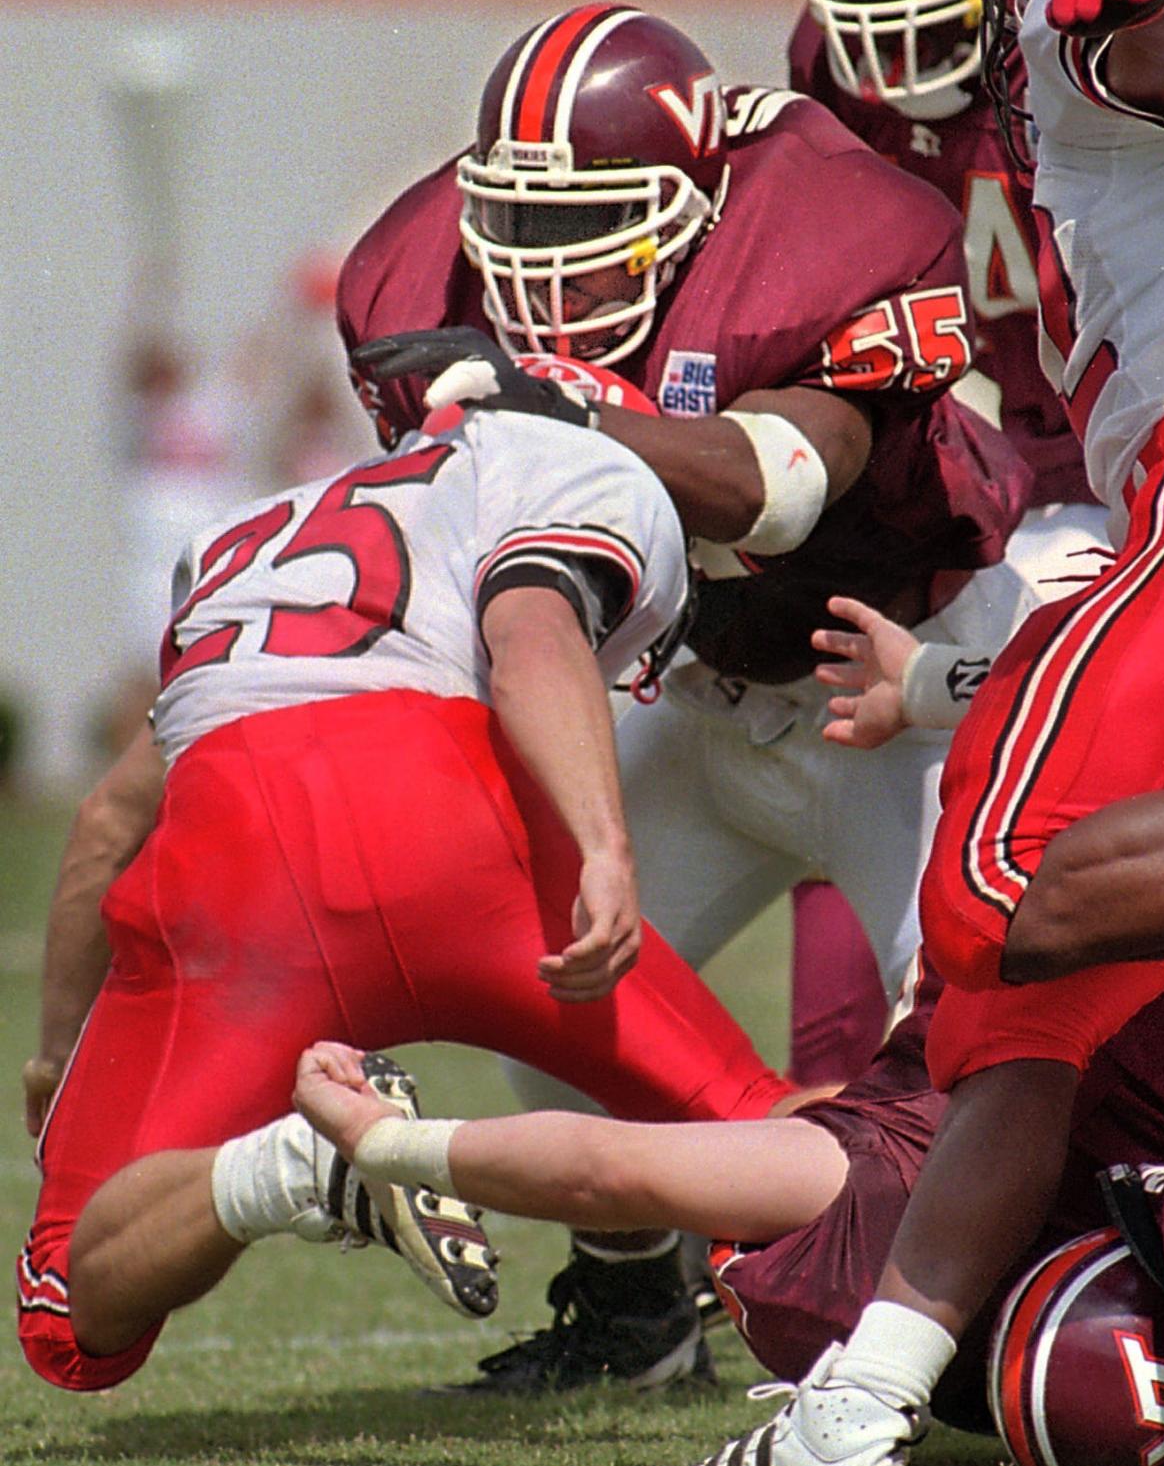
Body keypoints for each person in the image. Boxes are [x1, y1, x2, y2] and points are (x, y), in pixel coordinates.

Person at [337, 1, 1033, 1390]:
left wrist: (574, 409)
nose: (541, 270)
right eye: (519, 229)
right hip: (701, 690)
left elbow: (783, 491)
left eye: (586, 223)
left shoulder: (833, 227)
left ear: (697, 202)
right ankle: (638, 1304)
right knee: (554, 973)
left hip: (899, 687)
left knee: (973, 1047)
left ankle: (983, 1329)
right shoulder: (417, 277)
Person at [671, 0, 1164, 1466]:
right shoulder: (1008, 14)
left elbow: (1155, 15)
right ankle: (864, 1400)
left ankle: (860, 1393)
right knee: (1024, 968)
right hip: (1111, 525)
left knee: (999, 898)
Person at [16, 353, 804, 1393]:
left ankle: (290, 1168)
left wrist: (57, 1055)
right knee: (771, 1129)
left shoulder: (242, 534)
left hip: (235, 843)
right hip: (454, 820)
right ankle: (988, 1275)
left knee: (71, 1318)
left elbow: (113, 814)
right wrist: (607, 849)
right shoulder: (569, 461)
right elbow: (530, 635)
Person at [290, 944, 1164, 1466]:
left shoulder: (872, 1180)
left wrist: (385, 1144)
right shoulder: (893, 1171)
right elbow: (607, 1172)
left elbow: (608, 1170)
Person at [784, 0, 1113, 1091]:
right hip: (969, 476)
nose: (892, 16)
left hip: (1128, 462)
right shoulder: (832, 70)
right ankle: (877, 1094)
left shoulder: (1097, 40)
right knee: (865, 728)